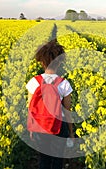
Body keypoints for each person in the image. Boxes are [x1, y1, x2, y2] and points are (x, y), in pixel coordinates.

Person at [26, 39, 74, 169]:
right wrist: (70, 132)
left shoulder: (34, 82)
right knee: (58, 160)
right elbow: (67, 111)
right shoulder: (64, 84)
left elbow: (31, 108)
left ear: (42, 61)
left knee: (44, 159)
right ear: (59, 63)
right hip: (59, 127)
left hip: (40, 127)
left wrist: (31, 128)